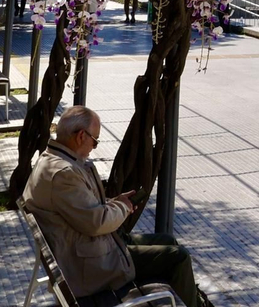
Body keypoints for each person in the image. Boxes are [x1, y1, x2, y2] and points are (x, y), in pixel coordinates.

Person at [22, 106, 200, 307]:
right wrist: (122, 207)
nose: (94, 147)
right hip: (91, 266)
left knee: (167, 240)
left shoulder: (51, 160)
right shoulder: (64, 174)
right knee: (179, 258)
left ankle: (192, 300)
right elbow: (96, 222)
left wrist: (115, 203)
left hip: (84, 248)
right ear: (81, 136)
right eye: (95, 141)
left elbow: (82, 209)